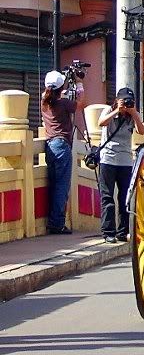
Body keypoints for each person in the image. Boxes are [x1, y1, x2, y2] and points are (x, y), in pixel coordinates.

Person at [41, 70, 87, 234]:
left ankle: (53, 221)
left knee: (53, 185)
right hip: (62, 146)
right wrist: (79, 83)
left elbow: (53, 92)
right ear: (61, 88)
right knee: (61, 186)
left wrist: (63, 85)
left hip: (50, 146)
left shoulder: (44, 101)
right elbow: (81, 104)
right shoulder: (63, 103)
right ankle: (57, 224)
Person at [96, 88, 144, 243]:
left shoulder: (132, 116)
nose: (127, 104)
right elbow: (101, 123)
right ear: (117, 100)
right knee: (107, 197)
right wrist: (117, 110)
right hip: (108, 160)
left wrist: (134, 112)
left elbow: (142, 131)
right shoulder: (108, 111)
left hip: (125, 161)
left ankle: (123, 232)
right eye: (124, 101)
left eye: (129, 101)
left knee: (125, 197)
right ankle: (108, 231)